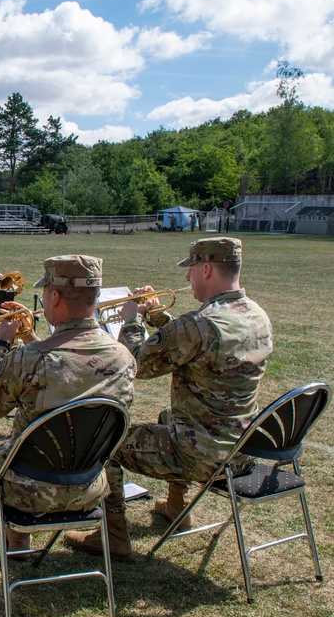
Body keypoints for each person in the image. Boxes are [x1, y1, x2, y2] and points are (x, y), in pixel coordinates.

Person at [0, 255, 136, 578]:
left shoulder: (31, 359)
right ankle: (17, 543)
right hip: (89, 487)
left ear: (53, 296)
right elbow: (66, 373)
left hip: (25, 491)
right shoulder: (122, 355)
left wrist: (3, 344)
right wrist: (30, 337)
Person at [66, 237, 272, 558]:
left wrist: (132, 318)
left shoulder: (201, 323)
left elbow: (136, 362)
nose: (187, 279)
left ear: (206, 269)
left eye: (190, 270)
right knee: (167, 416)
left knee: (104, 440)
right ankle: (177, 506)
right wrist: (158, 317)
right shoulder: (257, 315)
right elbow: (194, 347)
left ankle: (113, 536)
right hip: (242, 450)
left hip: (201, 455)